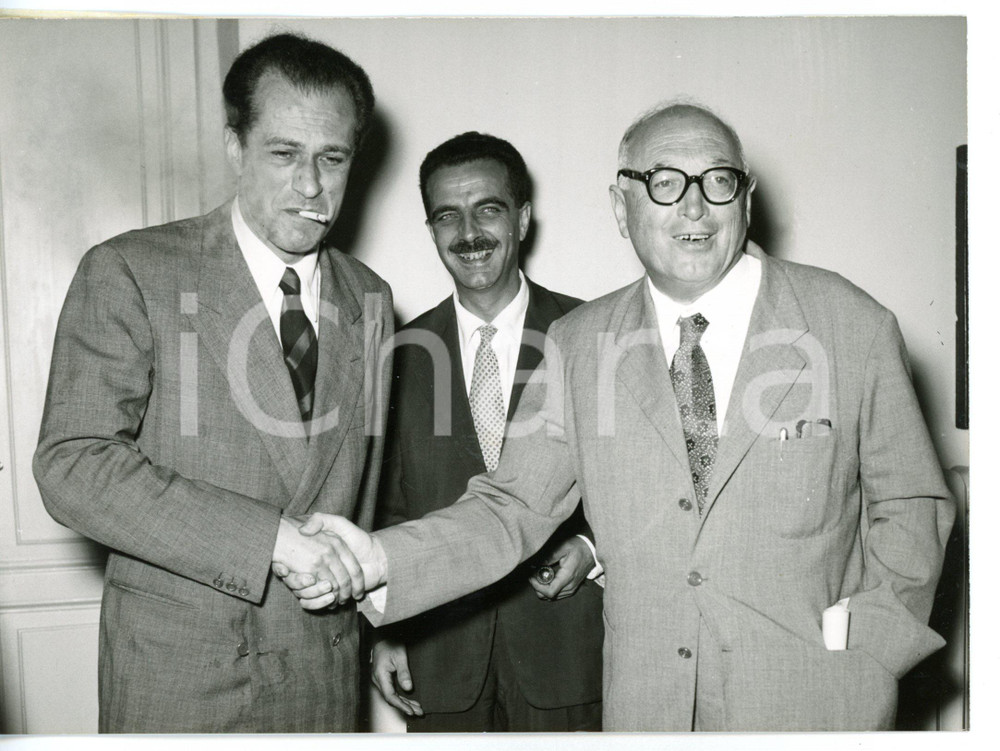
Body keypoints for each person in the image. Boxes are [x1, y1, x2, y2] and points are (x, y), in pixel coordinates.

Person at [279, 101, 954, 731]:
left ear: (746, 199)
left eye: (717, 179)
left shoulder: (848, 324)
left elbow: (913, 507)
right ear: (621, 207)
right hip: (646, 713)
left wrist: (868, 653)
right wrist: (378, 557)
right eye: (663, 180)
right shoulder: (582, 344)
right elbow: (511, 506)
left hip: (814, 709)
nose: (693, 203)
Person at [32, 33, 393, 733]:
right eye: (284, 154)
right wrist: (271, 541)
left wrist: (378, 610)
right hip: (186, 685)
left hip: (324, 680)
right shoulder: (132, 270)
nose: (312, 186)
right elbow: (72, 464)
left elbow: (362, 495)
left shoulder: (371, 297)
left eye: (333, 158)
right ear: (235, 146)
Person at [370, 132, 603, 732]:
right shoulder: (396, 355)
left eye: (488, 209)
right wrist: (388, 626)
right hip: (441, 660)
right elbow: (389, 506)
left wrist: (590, 550)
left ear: (522, 219)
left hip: (570, 653)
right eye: (447, 215)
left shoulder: (595, 336)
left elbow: (642, 489)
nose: (468, 233)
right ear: (432, 230)